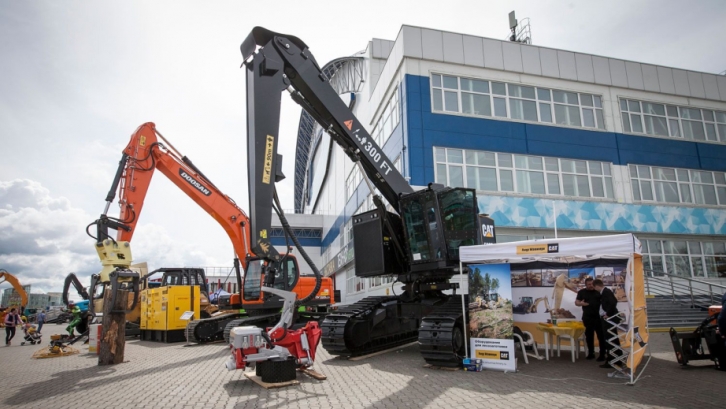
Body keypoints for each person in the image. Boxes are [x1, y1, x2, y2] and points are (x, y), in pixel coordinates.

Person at [575, 277, 606, 361]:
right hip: (587, 317)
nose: (591, 286)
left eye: (592, 284)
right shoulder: (582, 292)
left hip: (599, 318)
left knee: (601, 336)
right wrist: (580, 303)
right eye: (589, 284)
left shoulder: (599, 291)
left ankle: (602, 354)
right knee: (589, 336)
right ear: (585, 285)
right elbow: (576, 302)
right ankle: (591, 353)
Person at [593, 279, 621, 369]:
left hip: (609, 319)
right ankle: (616, 358)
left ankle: (613, 360)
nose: (594, 289)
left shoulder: (606, 292)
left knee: (610, 339)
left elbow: (613, 302)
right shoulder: (604, 292)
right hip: (608, 318)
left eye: (594, 287)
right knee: (611, 339)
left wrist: (608, 314)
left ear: (597, 286)